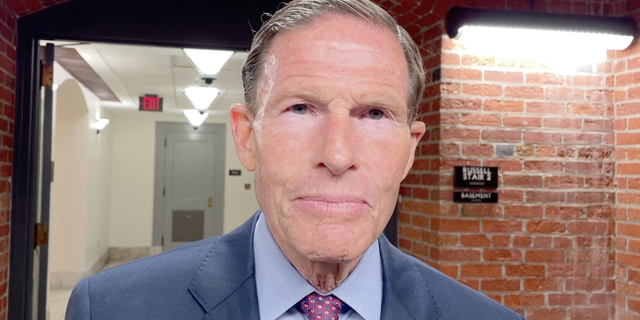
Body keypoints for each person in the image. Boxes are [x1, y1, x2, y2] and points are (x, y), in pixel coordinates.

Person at [66, 0, 526, 319]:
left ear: (410, 151)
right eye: (302, 108)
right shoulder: (113, 308)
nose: (338, 154)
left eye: (374, 113)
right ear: (247, 137)